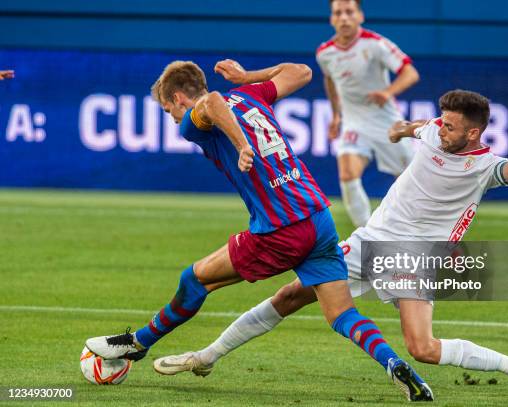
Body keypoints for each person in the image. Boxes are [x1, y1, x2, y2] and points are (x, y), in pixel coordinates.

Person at [175, 89, 508, 399]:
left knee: (422, 348)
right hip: (373, 242)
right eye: (441, 121)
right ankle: (208, 356)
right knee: (290, 295)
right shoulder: (433, 132)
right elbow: (415, 127)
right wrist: (399, 130)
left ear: (473, 132)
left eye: (450, 126)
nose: (441, 128)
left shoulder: (484, 166)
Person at [85, 59, 433, 402]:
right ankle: (396, 365)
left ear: (178, 98)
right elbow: (302, 72)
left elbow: (212, 102)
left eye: (167, 110)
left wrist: (241, 145)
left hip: (280, 230)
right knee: (342, 314)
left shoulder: (194, 120)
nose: (172, 118)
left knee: (195, 279)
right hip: (317, 217)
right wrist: (247, 76)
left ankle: (138, 343)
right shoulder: (251, 94)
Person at [317, 0, 420, 227]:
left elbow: (410, 73)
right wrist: (336, 116)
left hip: (387, 124)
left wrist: (388, 91)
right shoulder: (325, 53)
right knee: (347, 175)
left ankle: (437, 237)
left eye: (349, 12)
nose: (344, 17)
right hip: (354, 124)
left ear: (360, 16)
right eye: (338, 13)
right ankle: (366, 237)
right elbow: (330, 80)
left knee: (412, 184)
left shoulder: (376, 44)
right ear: (331, 19)